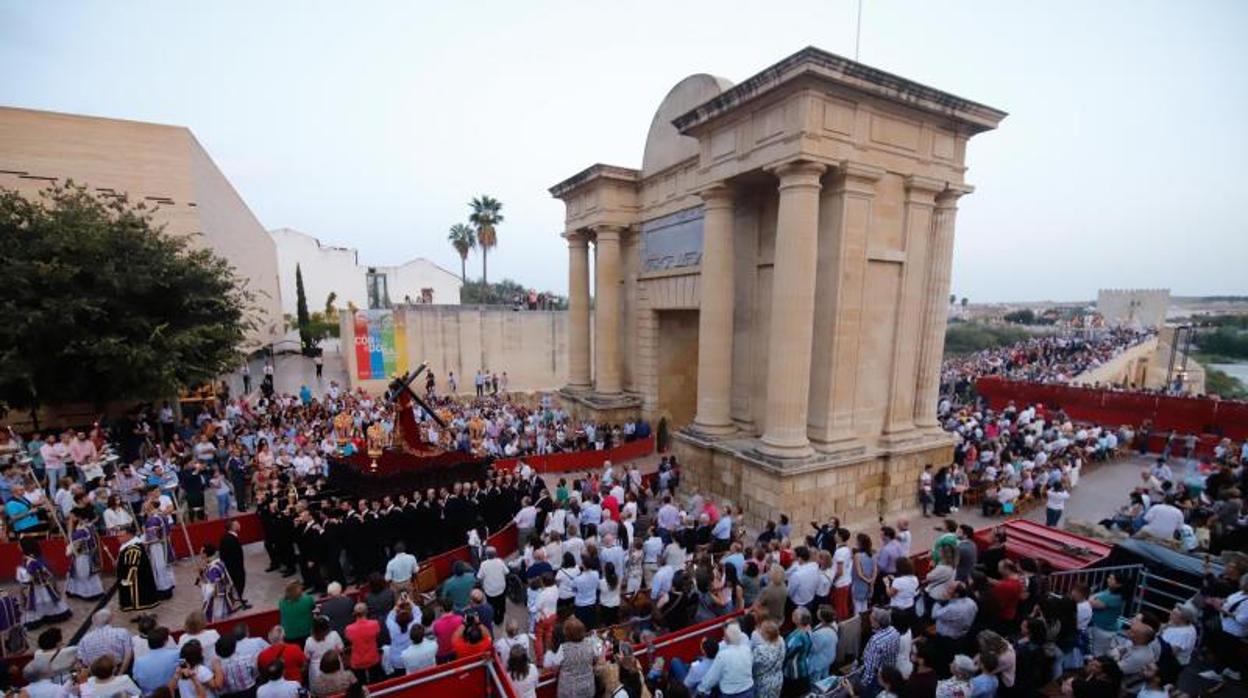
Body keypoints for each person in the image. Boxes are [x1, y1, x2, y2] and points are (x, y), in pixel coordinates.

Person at [17, 539, 71, 628]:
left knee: (37, 603)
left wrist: (22, 581)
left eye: (19, 545)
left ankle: (40, 618)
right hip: (45, 586)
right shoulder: (37, 557)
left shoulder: (31, 561)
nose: (18, 547)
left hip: (36, 588)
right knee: (47, 600)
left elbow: (28, 577)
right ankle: (52, 615)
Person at [544, 617, 596, 698]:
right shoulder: (590, 644)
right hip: (588, 686)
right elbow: (597, 656)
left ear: (567, 634)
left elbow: (555, 666)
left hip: (570, 691)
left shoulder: (563, 648)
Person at [199, 544, 245, 623]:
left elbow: (212, 589)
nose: (200, 554)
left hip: (218, 600)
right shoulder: (218, 562)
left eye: (201, 552)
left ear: (205, 554)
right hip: (225, 594)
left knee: (218, 619)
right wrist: (201, 573)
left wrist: (202, 585)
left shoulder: (213, 569)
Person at [133, 627, 181, 695]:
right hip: (172, 691)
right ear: (165, 642)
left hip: (151, 694)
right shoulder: (176, 654)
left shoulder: (139, 662)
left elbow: (136, 678)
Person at [65, 517, 104, 600]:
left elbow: (75, 549)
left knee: (83, 574)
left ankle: (88, 593)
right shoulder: (88, 529)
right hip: (88, 555)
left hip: (81, 557)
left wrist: (69, 547)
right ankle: (95, 591)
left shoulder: (79, 533)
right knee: (89, 574)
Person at [345, 602, 383, 683]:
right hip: (373, 659)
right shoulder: (374, 624)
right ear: (366, 612)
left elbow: (348, 639)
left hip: (358, 662)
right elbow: (377, 634)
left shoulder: (349, 629)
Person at [753, 619, 786, 698]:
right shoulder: (781, 640)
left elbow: (752, 665)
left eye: (761, 629)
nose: (759, 631)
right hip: (778, 679)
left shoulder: (761, 649)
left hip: (763, 683)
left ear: (767, 634)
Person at [218, 520, 248, 605]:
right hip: (234, 567)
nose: (239, 525)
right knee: (238, 583)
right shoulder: (230, 539)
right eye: (237, 524)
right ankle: (238, 601)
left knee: (238, 584)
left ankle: (238, 599)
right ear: (233, 527)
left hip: (233, 566)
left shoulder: (228, 537)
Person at [277, 581, 315, 647]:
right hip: (306, 634)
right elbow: (313, 607)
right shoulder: (307, 599)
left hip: (288, 636)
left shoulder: (281, 602)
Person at [808, 605, 839, 683]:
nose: (817, 613)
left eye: (819, 613)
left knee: (815, 681)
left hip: (819, 662)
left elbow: (814, 649)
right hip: (829, 655)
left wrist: (808, 634)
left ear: (823, 617)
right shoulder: (834, 624)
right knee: (825, 675)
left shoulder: (820, 633)